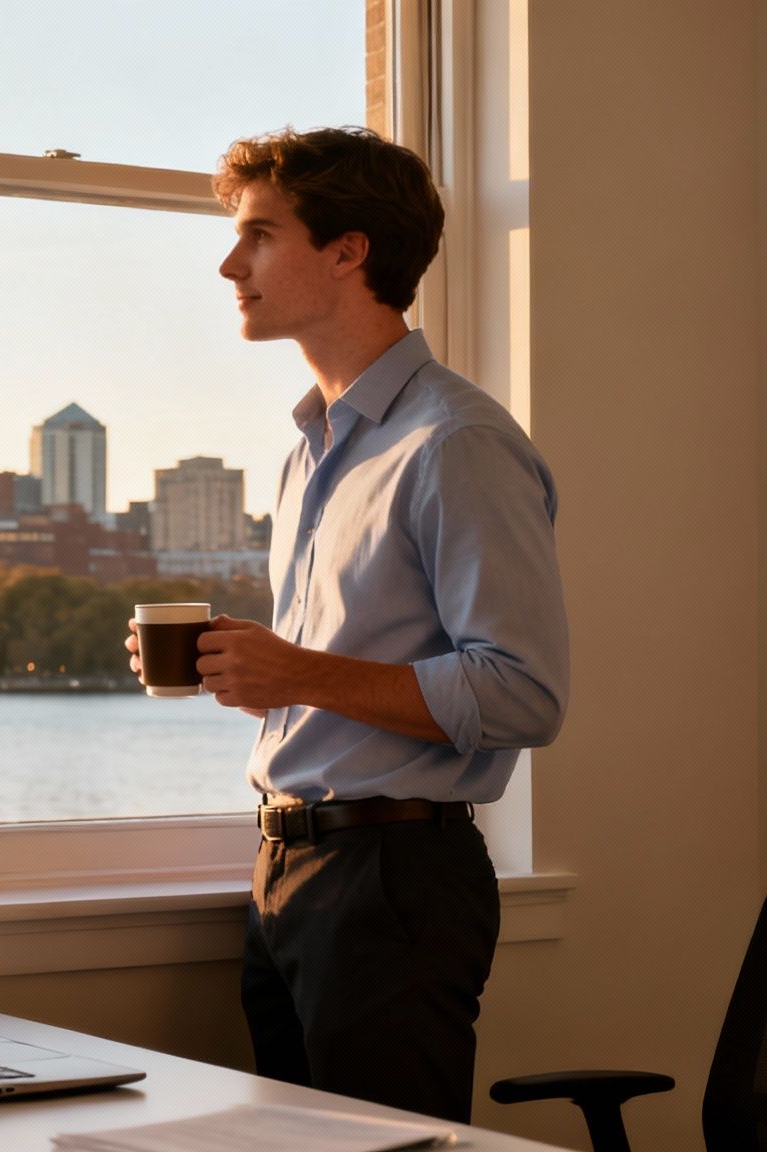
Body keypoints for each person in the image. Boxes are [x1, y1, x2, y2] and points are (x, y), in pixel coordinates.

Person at [127, 126, 568, 1121]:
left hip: (392, 883)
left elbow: (520, 693)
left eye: (258, 235)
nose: (228, 264)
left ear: (347, 249)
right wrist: (252, 667)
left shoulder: (454, 443)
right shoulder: (307, 452)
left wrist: (300, 676)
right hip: (287, 867)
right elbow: (340, 666)